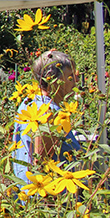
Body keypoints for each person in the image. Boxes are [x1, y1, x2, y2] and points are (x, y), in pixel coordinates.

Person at [11, 50, 83, 183]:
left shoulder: (30, 102)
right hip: (48, 196)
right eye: (71, 76)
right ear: (53, 79)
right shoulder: (47, 113)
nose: (77, 80)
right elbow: (42, 164)